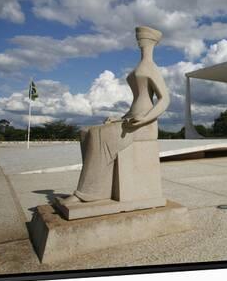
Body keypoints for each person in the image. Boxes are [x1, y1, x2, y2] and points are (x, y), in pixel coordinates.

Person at [63, 26, 170, 203]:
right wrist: (119, 118)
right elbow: (136, 103)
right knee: (85, 132)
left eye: (143, 37)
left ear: (152, 41)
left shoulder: (151, 67)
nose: (140, 40)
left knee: (99, 135)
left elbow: (165, 99)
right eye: (138, 38)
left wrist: (145, 118)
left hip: (144, 123)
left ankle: (86, 192)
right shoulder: (141, 66)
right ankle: (100, 187)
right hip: (131, 119)